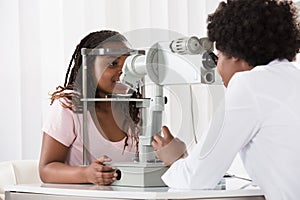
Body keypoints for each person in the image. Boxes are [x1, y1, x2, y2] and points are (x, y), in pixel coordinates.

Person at [151, 0, 300, 199]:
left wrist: (175, 159)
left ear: (235, 55)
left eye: (218, 56)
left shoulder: (249, 84)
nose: (217, 68)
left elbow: (196, 180)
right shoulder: (291, 77)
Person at [39, 30, 141, 185]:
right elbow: (46, 169)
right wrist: (85, 174)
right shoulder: (70, 105)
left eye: (127, 64)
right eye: (113, 63)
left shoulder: (135, 108)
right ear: (88, 66)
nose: (122, 71)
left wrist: (171, 152)